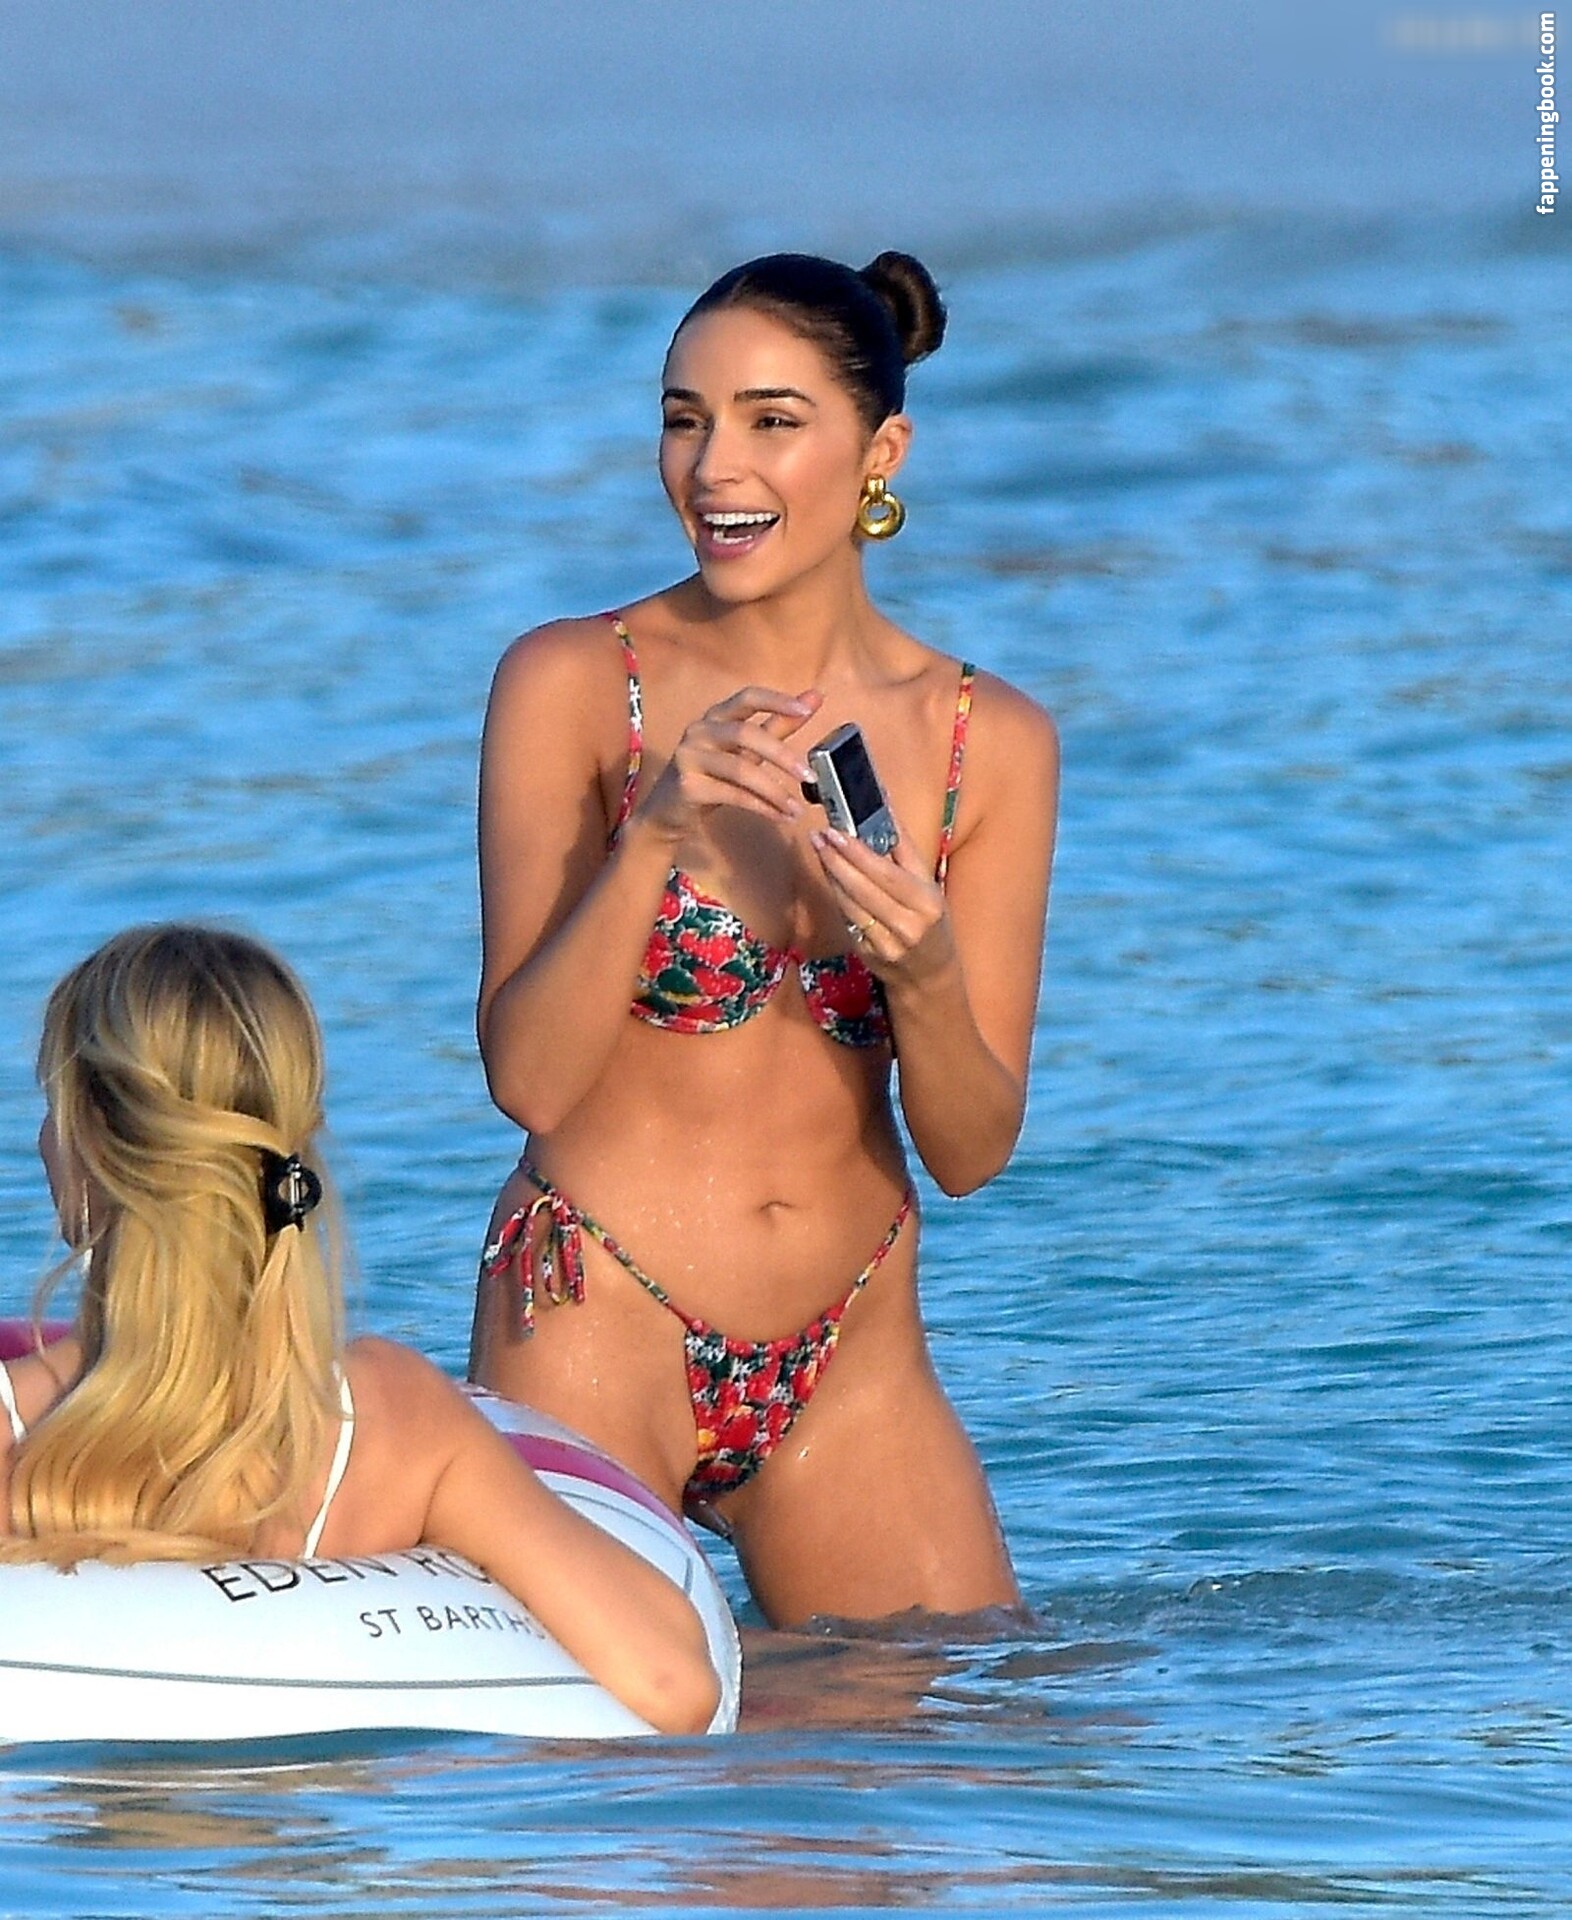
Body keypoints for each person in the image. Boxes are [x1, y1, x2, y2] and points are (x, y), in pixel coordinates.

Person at [469, 251, 1059, 1628]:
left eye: (771, 421)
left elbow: (971, 1152)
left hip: (852, 1347)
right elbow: (527, 1079)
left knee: (966, 1723)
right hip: (597, 1305)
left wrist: (924, 976)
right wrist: (655, 839)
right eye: (685, 420)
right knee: (617, 1752)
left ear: (882, 452)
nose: (713, 467)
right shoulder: (575, 682)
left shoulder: (990, 742)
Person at [0, 924, 719, 1736]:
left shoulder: (13, 1425)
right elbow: (674, 1683)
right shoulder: (387, 1419)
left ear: (92, 1145)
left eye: (53, 1107)